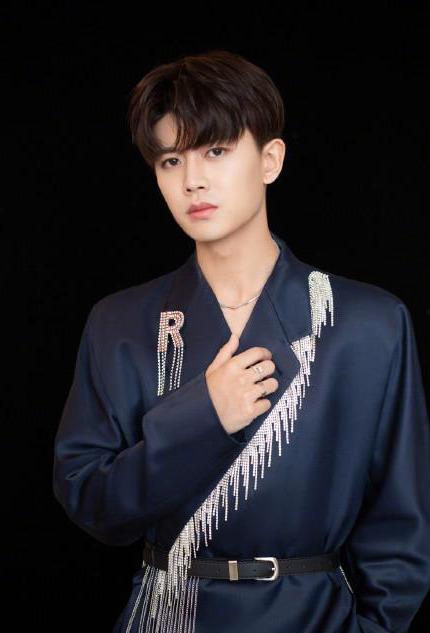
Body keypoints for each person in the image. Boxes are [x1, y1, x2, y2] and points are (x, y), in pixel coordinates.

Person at [52, 49, 430, 633]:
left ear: (270, 159)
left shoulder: (368, 324)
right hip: (168, 616)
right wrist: (204, 417)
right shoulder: (120, 323)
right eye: (171, 160)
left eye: (216, 151)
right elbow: (92, 503)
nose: (193, 180)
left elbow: (399, 528)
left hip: (312, 617)